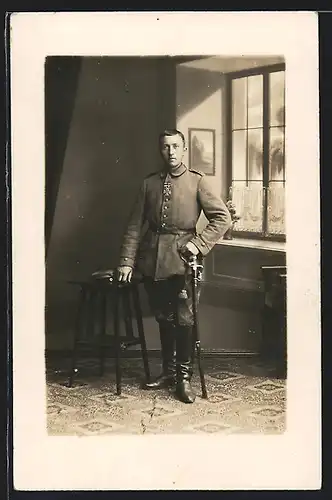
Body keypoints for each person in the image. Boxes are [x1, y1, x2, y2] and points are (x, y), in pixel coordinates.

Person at [117, 129, 231, 403]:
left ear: (184, 150)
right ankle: (168, 373)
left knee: (184, 320)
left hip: (184, 263)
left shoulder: (197, 182)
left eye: (175, 147)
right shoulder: (150, 184)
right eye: (165, 147)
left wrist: (198, 244)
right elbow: (134, 225)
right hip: (153, 262)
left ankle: (183, 378)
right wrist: (126, 261)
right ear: (161, 150)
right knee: (164, 319)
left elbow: (222, 218)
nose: (170, 152)